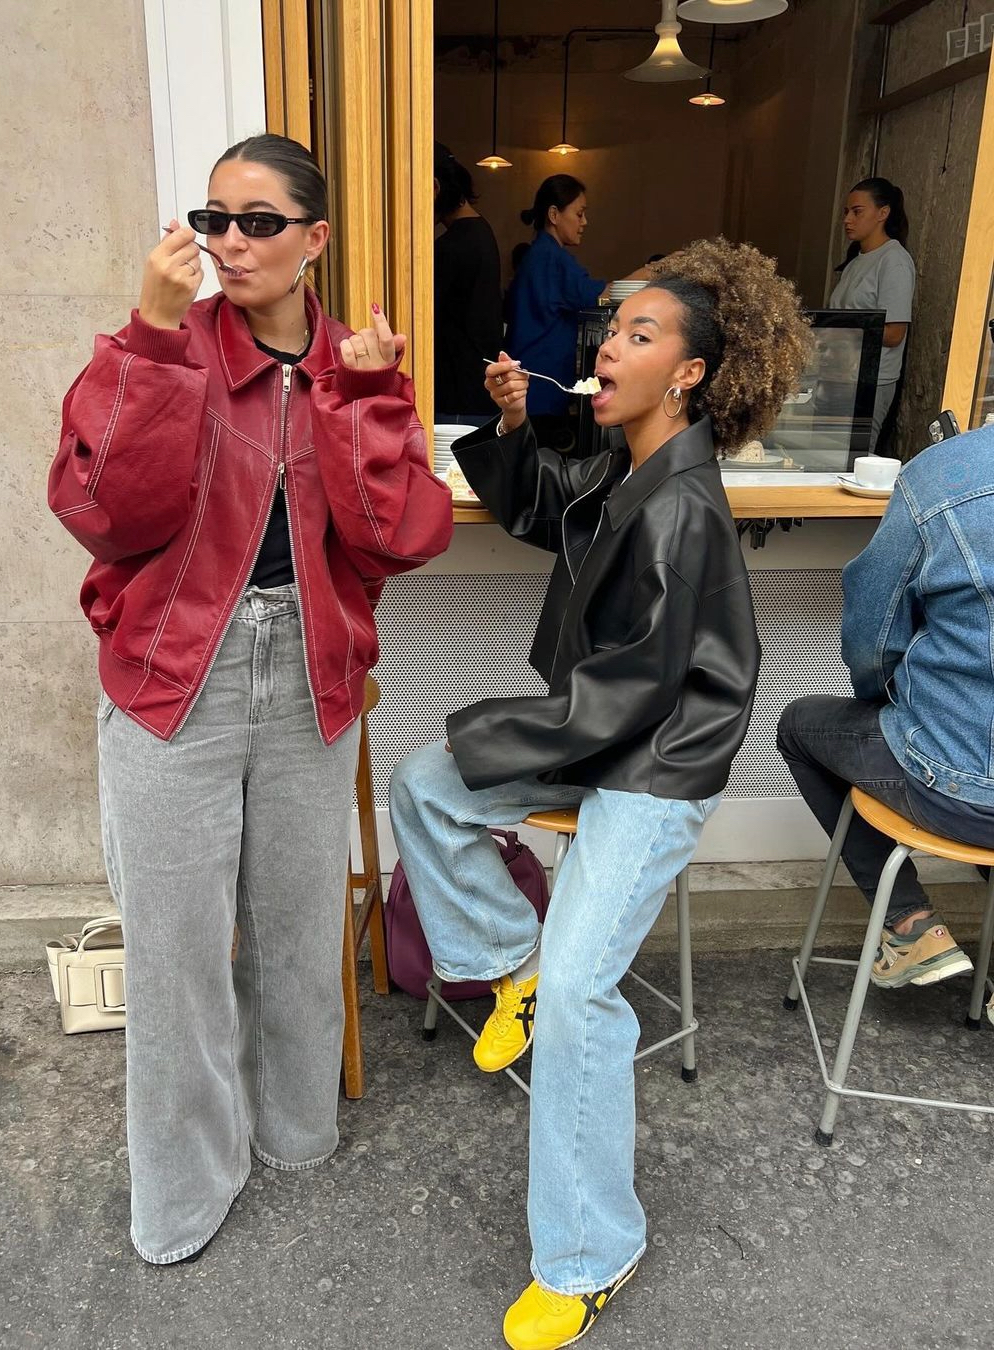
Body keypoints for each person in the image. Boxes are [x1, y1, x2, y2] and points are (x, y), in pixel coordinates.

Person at [390, 238, 811, 1350]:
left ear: (687, 374)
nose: (606, 344)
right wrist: (521, 423)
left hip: (654, 763)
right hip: (603, 730)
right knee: (424, 783)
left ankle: (590, 1254)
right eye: (609, 329)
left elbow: (628, 698)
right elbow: (548, 506)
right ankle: (500, 965)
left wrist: (490, 731)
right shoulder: (635, 464)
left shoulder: (681, 507)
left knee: (585, 997)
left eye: (637, 334)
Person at [48, 133, 453, 1265]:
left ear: (313, 240)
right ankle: (180, 1191)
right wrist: (150, 340)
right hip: (180, 670)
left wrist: (371, 394)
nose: (228, 241)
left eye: (258, 221)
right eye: (214, 217)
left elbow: (396, 537)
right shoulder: (165, 346)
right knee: (176, 952)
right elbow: (106, 513)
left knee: (294, 925)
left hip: (311, 675)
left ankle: (292, 1130)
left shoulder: (349, 367)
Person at [778, 424, 994, 996]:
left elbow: (873, 641)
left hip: (956, 788)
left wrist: (883, 693)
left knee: (800, 727)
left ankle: (910, 925)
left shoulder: (944, 476)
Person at [504, 176, 650, 450]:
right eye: (579, 213)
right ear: (554, 215)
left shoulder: (540, 255)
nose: (585, 223)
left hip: (534, 387)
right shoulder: (550, 257)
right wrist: (653, 271)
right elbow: (603, 295)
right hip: (541, 388)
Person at [829, 177, 915, 452]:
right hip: (840, 375)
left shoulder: (894, 261)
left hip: (871, 380)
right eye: (846, 212)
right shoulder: (856, 261)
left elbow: (893, 333)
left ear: (883, 213)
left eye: (857, 211)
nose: (848, 220)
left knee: (855, 457)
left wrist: (842, 332)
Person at [434, 141, 503, 419]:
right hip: (478, 387)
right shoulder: (480, 230)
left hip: (458, 394)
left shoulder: (452, 246)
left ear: (434, 189)